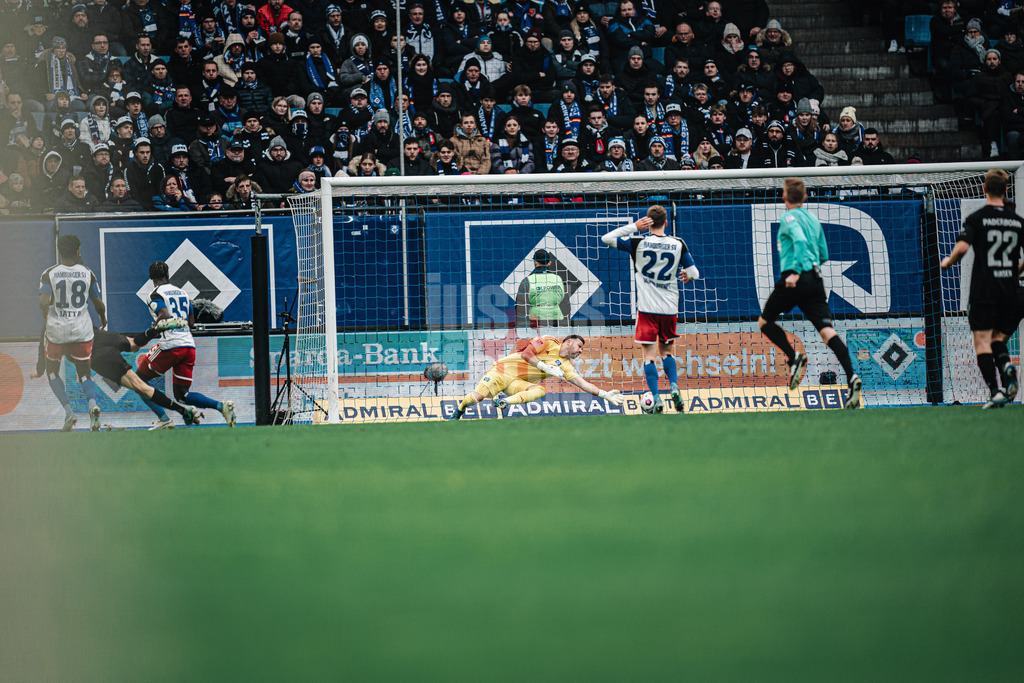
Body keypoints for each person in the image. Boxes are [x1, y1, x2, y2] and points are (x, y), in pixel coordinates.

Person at [757, 177, 862, 409]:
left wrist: (795, 271)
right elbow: (823, 253)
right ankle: (851, 376)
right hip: (816, 279)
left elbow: (800, 241)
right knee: (827, 332)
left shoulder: (788, 217)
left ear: (784, 197)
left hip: (796, 278)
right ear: (805, 197)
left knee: (765, 321)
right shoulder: (813, 219)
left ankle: (793, 358)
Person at [600, 205, 699, 413]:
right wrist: (688, 276)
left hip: (646, 309)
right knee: (667, 353)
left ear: (648, 222)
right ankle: (674, 387)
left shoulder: (638, 242)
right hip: (670, 308)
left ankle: (656, 397)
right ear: (666, 222)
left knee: (649, 357)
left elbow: (606, 238)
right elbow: (695, 273)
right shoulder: (678, 243)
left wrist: (634, 227)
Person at [940, 168, 1022, 408]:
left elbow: (963, 248)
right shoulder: (1017, 221)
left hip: (985, 290)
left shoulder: (977, 218)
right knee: (998, 341)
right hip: (1010, 289)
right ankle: (1006, 366)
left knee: (982, 343)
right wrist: (1016, 270)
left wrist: (948, 261)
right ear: (1006, 190)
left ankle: (995, 391)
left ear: (984, 188)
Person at [136, 261, 237, 426]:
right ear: (168, 275)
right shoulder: (183, 293)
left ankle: (164, 420)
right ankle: (222, 407)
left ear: (150, 278)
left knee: (137, 381)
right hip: (188, 346)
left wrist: (155, 326)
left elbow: (164, 314)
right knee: (182, 395)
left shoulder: (154, 294)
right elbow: (191, 323)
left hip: (170, 346)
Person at [447, 334, 624, 419]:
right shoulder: (548, 341)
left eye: (582, 349)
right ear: (568, 342)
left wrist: (604, 394)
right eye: (579, 346)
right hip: (502, 371)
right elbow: (526, 353)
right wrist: (543, 366)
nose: (580, 351)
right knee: (476, 398)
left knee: (539, 390)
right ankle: (460, 408)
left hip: (517, 383)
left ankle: (504, 402)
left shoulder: (566, 366)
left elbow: (582, 384)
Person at [38, 234, 107, 431]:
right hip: (81, 330)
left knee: (52, 371)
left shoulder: (49, 273)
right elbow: (98, 305)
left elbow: (43, 302)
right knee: (84, 373)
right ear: (78, 252)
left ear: (59, 251)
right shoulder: (87, 273)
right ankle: (92, 404)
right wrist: (103, 320)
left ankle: (69, 413)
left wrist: (47, 313)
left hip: (56, 330)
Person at [515, 249, 569, 328]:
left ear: (535, 262)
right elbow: (565, 303)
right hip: (557, 319)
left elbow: (520, 306)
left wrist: (521, 326)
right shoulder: (558, 279)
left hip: (536, 321)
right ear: (549, 263)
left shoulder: (527, 280)